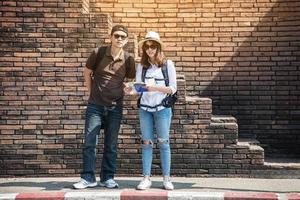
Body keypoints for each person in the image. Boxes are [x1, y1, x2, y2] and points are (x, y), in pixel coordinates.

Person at [73, 25, 136, 189]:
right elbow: (87, 72)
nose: (119, 39)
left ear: (127, 40)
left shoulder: (128, 59)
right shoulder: (99, 52)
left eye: (123, 36)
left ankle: (107, 177)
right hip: (95, 105)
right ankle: (88, 178)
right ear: (111, 37)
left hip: (115, 107)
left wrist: (128, 88)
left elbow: (129, 80)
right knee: (89, 142)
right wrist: (90, 92)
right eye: (117, 36)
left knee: (111, 144)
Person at [135, 31, 177, 190]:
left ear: (158, 47)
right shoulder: (141, 66)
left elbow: (172, 89)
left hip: (162, 109)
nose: (149, 49)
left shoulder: (168, 65)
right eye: (147, 46)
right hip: (145, 109)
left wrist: (153, 87)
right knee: (146, 143)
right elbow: (139, 89)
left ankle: (166, 178)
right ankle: (146, 178)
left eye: (153, 46)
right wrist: (131, 90)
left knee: (164, 143)